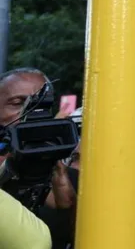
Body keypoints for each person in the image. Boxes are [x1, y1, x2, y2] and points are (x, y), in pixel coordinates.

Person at [0, 68, 77, 249]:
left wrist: (69, 205)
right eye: (18, 103)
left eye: (41, 105)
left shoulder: (72, 179)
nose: (31, 113)